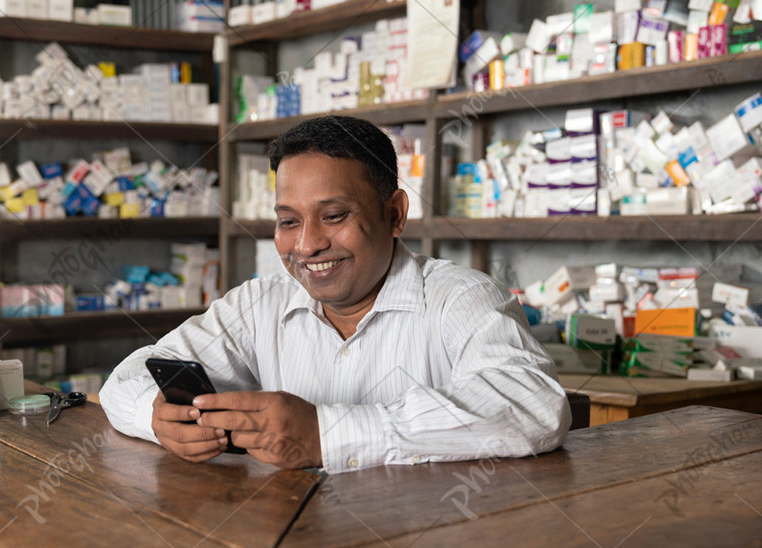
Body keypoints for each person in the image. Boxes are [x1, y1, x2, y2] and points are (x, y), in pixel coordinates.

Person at [100, 115, 571, 474]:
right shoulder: (257, 305)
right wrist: (158, 417)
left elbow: (533, 404)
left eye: (334, 216)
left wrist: (325, 434)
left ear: (394, 214)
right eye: (288, 221)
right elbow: (124, 381)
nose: (306, 245)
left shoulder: (461, 298)